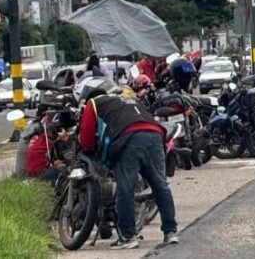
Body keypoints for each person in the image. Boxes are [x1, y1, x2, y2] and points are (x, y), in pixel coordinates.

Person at [75, 76, 178, 250]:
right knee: (160, 185)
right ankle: (170, 232)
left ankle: (128, 236)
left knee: (125, 188)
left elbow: (86, 139)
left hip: (129, 139)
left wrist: (89, 149)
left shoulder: (94, 103)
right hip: (155, 135)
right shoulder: (128, 98)